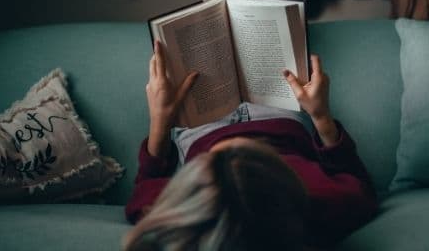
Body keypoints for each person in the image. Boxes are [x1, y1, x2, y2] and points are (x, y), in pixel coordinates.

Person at [122, 41, 377, 250]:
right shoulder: (324, 209)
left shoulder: (176, 219)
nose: (237, 142)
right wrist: (321, 116)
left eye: (214, 160)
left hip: (203, 125)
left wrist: (160, 120)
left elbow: (147, 182)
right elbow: (356, 179)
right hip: (277, 117)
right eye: (252, 157)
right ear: (281, 183)